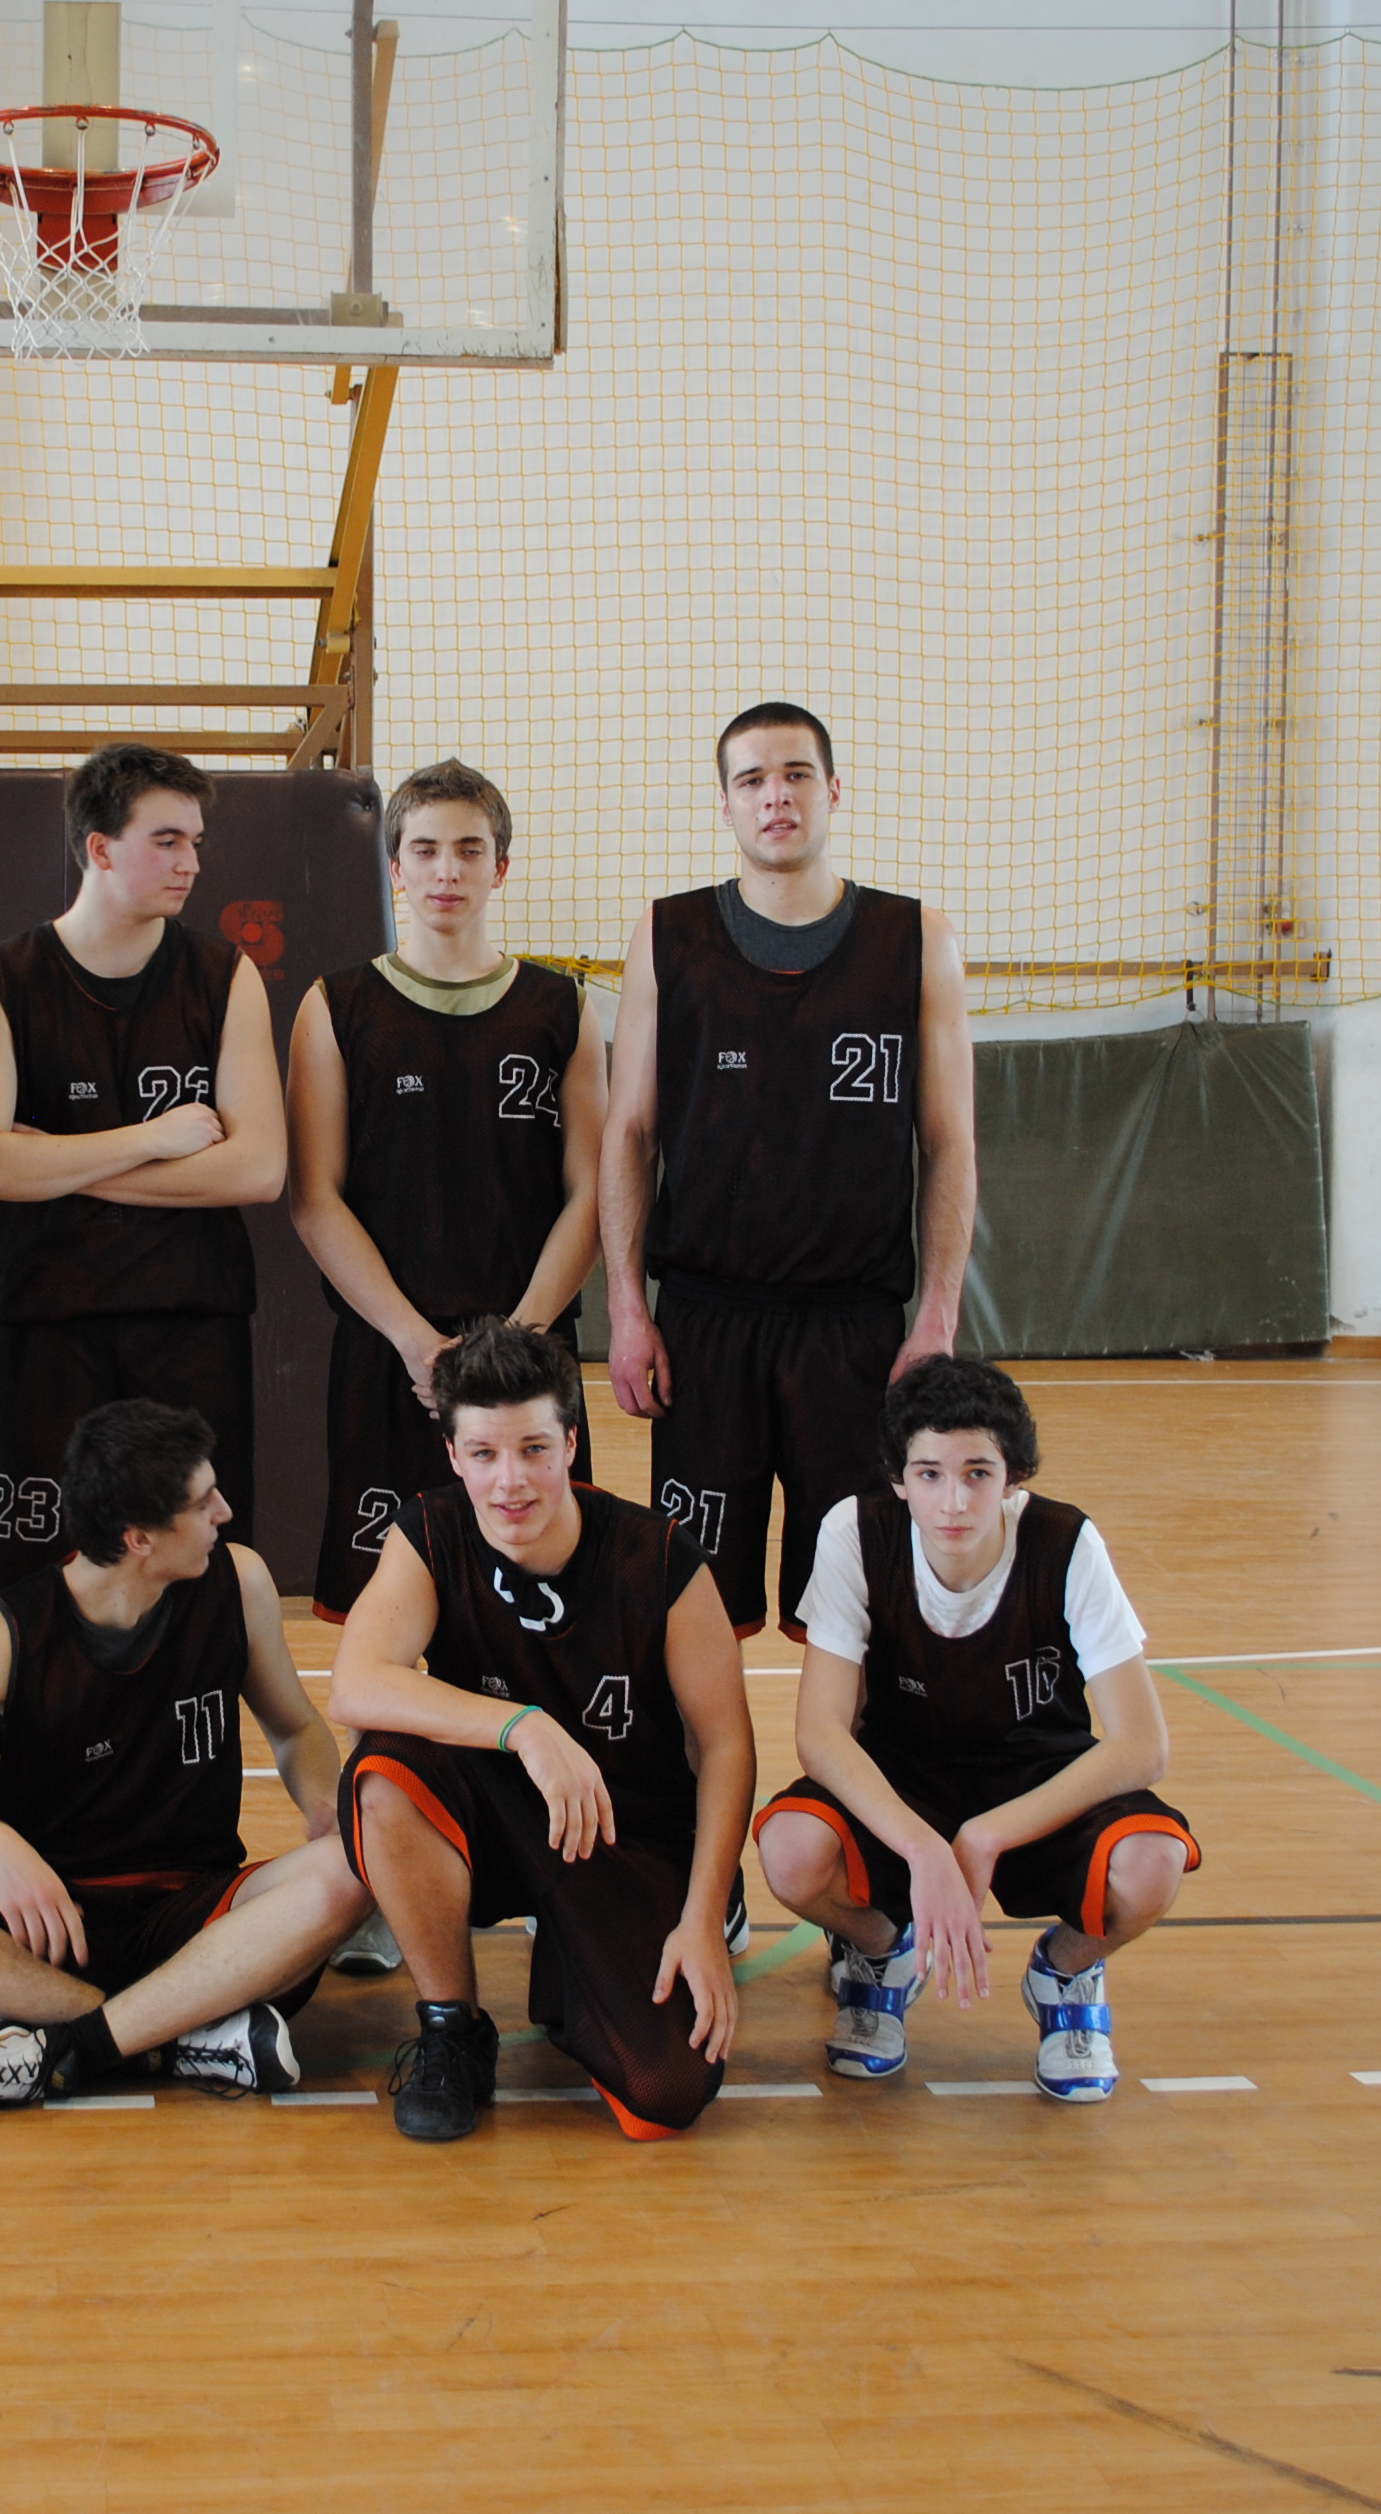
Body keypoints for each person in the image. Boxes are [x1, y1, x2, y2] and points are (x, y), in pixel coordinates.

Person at [0, 1400, 368, 2111]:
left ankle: (51, 2047)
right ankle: (174, 2035)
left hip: (194, 1919)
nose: (225, 1512)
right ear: (140, 1538)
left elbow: (295, 1729)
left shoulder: (240, 1581)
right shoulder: (13, 1631)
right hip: (41, 1928)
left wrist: (324, 1803)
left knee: (356, 1863)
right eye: (203, 1502)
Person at [599, 701, 977, 1639]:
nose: (776, 797)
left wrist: (937, 1315)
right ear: (725, 804)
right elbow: (630, 1132)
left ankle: (845, 1747)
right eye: (753, 780)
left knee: (855, 1610)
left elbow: (950, 1144)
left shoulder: (917, 939)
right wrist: (626, 1307)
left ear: (834, 790)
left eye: (797, 775)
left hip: (852, 1333)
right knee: (693, 1608)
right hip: (705, 1327)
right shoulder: (667, 934)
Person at [327, 1320, 754, 2143]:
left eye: (533, 1449)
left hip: (623, 1829)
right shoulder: (429, 1532)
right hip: (498, 1814)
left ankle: (583, 1963)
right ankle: (452, 2027)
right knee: (384, 1774)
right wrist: (524, 1726)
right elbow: (355, 1685)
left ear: (571, 1443)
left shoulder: (661, 1558)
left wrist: (702, 1917)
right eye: (484, 1454)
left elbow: (727, 1748)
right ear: (454, 1456)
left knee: (663, 2096)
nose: (510, 1481)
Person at [754, 1357, 1196, 2101]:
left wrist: (985, 1835)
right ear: (898, 1478)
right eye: (929, 1474)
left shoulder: (1065, 1542)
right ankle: (881, 1953)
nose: (953, 1501)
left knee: (1153, 1861)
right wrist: (923, 1847)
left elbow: (1142, 1746)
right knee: (791, 1849)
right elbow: (821, 1734)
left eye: (977, 1473)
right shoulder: (856, 1533)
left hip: (1037, 1775)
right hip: (905, 1772)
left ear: (1013, 1476)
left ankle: (1065, 1970)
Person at [0, 742, 287, 1592]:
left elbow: (258, 1169)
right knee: (42, 1568)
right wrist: (150, 1137)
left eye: (196, 842)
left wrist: (54, 1161)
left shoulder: (225, 975)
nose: (191, 863)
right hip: (47, 1318)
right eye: (167, 841)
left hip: (190, 1316)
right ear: (99, 848)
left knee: (197, 1564)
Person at [287, 759, 603, 1617]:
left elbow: (592, 1194)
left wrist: (518, 1343)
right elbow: (315, 1198)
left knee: (537, 1598)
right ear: (395, 867)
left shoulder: (562, 1008)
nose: (447, 871)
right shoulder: (336, 1005)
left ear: (501, 867)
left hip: (530, 1353)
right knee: (381, 1608)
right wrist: (416, 1342)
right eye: (425, 850)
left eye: (469, 850)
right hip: (392, 1357)